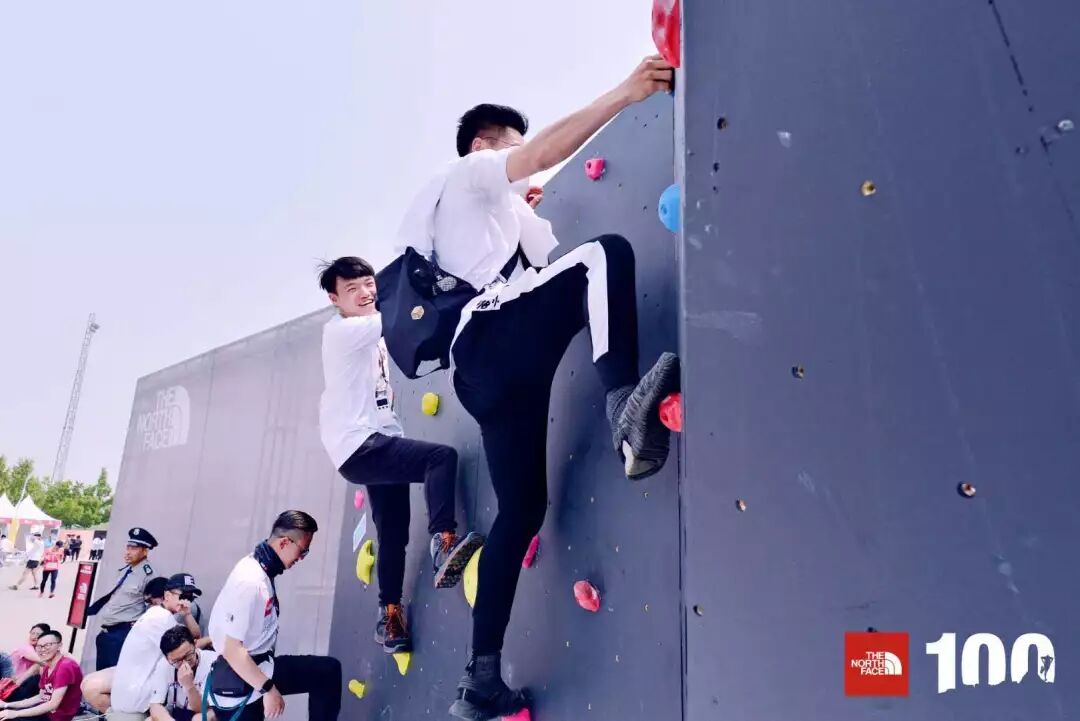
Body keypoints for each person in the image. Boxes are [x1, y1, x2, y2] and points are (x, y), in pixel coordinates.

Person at [393, 55, 679, 720]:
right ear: (483, 147)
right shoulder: (466, 173)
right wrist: (625, 93)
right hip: (495, 334)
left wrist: (518, 214)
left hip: (484, 373)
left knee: (520, 512)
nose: (527, 171)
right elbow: (546, 154)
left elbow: (543, 270)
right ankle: (623, 408)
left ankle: (480, 681)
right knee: (604, 254)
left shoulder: (483, 217)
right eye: (512, 154)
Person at [317, 256, 485, 653]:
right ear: (335, 299)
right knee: (439, 459)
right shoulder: (344, 331)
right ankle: (444, 541)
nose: (365, 292)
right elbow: (401, 318)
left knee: (392, 531)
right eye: (352, 288)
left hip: (370, 441)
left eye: (369, 283)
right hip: (360, 443)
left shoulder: (367, 333)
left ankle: (389, 616)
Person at [207, 510, 341, 721]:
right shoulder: (250, 582)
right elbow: (232, 650)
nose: (301, 558)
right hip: (243, 680)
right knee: (325, 673)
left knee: (327, 672)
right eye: (303, 551)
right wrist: (268, 689)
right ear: (284, 543)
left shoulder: (259, 565)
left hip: (261, 664)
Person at [87, 528, 158, 670]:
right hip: (106, 633)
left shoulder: (149, 575)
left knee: (113, 676)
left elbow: (154, 606)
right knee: (101, 675)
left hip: (122, 634)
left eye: (134, 548)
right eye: (128, 547)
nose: (128, 552)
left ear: (145, 551)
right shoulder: (125, 570)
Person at [0, 630, 83, 721]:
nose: (42, 649)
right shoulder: (47, 666)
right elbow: (41, 697)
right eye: (39, 646)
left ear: (59, 646)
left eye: (47, 645)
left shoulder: (65, 666)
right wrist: (7, 705)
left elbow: (53, 705)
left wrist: (15, 713)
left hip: (56, 718)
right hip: (45, 712)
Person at [148, 627, 217, 721]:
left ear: (195, 644)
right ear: (167, 659)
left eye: (188, 655)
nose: (185, 663)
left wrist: (189, 686)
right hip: (176, 712)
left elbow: (202, 709)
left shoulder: (212, 661)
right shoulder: (163, 664)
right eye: (177, 661)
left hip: (203, 710)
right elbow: (155, 705)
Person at [4, 625, 49, 702]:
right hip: (9, 686)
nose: (34, 636)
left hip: (20, 684)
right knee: (38, 666)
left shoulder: (37, 650)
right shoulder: (25, 648)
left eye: (38, 634)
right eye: (32, 633)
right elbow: (44, 662)